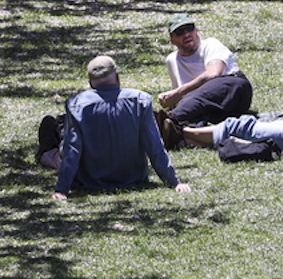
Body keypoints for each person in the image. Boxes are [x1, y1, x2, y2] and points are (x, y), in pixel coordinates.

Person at [49, 56, 192, 200]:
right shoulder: (140, 100)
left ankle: (45, 154)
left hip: (90, 182)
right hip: (132, 179)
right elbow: (154, 145)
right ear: (117, 77)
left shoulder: (76, 105)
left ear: (91, 84)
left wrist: (62, 189)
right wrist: (174, 182)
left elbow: (72, 149)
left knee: (50, 126)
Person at [157, 14, 252, 138]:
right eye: (179, 32)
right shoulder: (172, 60)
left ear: (197, 31)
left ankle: (162, 123)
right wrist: (168, 99)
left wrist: (177, 92)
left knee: (196, 99)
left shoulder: (210, 45)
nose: (186, 35)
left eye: (189, 28)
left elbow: (214, 74)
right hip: (208, 107)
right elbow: (180, 100)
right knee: (196, 119)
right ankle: (174, 132)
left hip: (234, 90)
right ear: (172, 40)